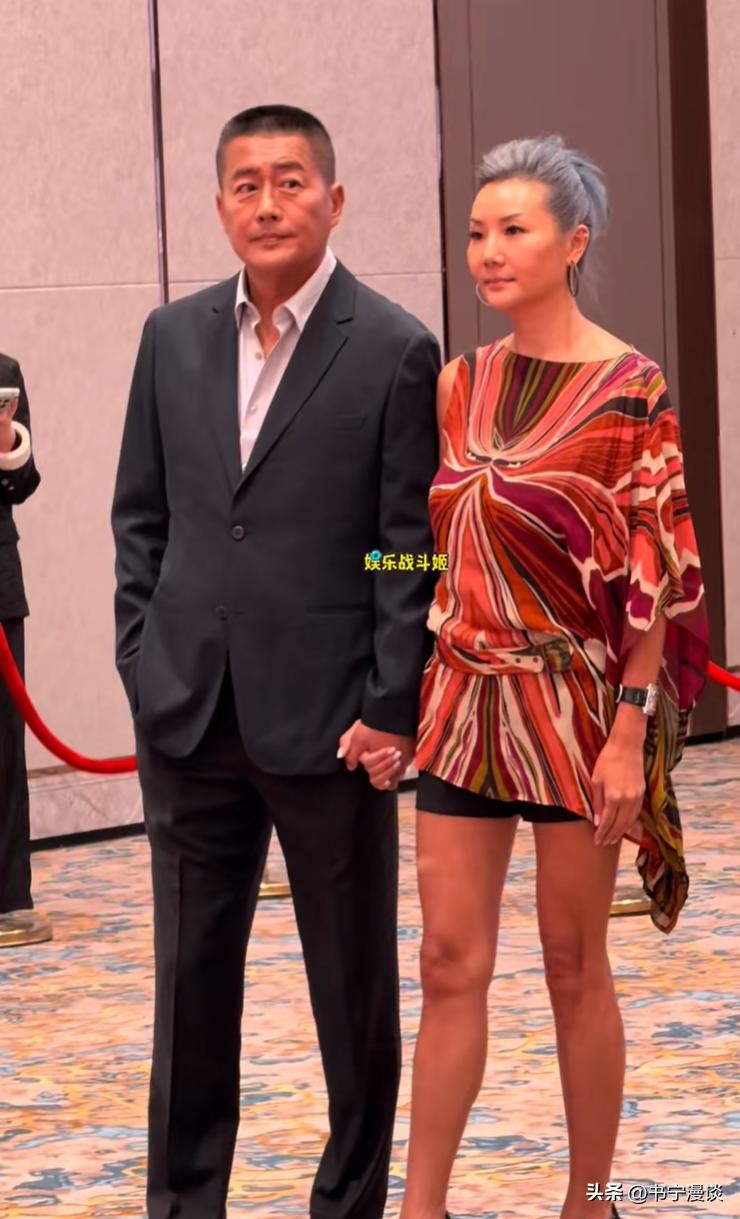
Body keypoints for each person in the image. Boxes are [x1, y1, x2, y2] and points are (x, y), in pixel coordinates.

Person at [111, 105, 440, 1219]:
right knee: (189, 989)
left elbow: (404, 546)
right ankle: (183, 1202)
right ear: (219, 207)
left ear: (333, 200)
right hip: (189, 715)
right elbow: (141, 516)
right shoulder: (171, 336)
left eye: (289, 181)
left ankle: (346, 1204)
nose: (267, 203)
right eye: (245, 184)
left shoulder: (392, 346)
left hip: (336, 726)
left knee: (351, 992)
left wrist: (390, 700)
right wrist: (142, 659)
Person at [384, 136, 708, 1219]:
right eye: (477, 231)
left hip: (576, 711)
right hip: (462, 702)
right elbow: (424, 548)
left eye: (512, 230)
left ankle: (591, 1198)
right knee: (445, 962)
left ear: (573, 243)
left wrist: (629, 730)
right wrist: (363, 575)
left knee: (573, 962)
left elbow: (655, 571)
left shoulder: (629, 388)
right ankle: (420, 1208)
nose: (487, 250)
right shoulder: (459, 382)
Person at [0, 353, 51, 949]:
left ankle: (9, 897)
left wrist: (6, 441)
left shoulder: (3, 371)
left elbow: (24, 482)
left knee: (2, 745)